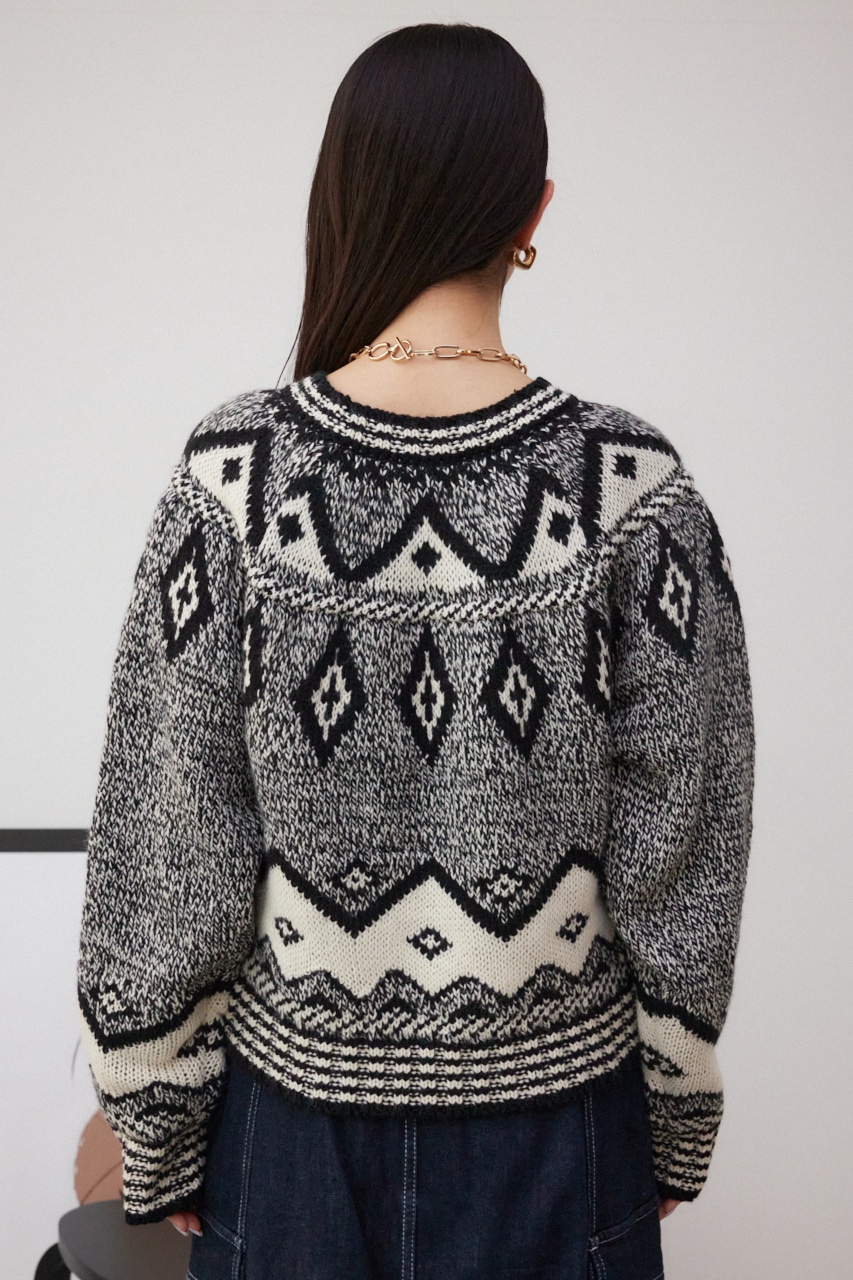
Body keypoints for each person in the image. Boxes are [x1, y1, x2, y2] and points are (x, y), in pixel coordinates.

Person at [76, 22, 755, 1280]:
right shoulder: (634, 488)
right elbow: (687, 845)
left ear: (345, 190)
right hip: (562, 1132)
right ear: (532, 209)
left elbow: (168, 835)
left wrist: (155, 1116)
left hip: (287, 1137)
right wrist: (674, 1107)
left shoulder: (232, 478)